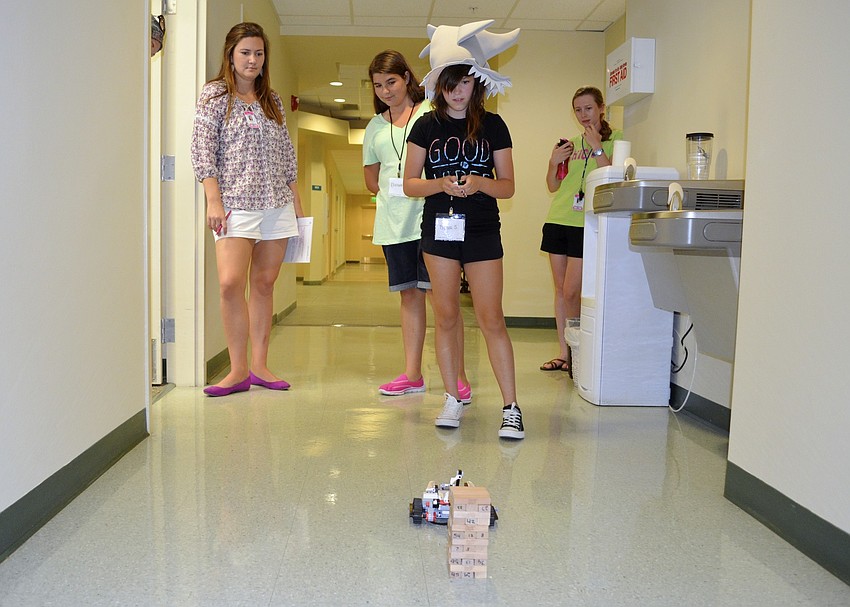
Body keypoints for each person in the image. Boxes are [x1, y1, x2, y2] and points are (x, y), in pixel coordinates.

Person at [404, 60, 523, 440]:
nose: (458, 91)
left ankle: (511, 408)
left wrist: (478, 182)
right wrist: (439, 183)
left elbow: (507, 186)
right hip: (440, 230)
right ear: (439, 87)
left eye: (466, 83)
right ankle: (453, 397)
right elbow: (409, 184)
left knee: (491, 318)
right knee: (447, 316)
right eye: (450, 84)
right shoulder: (425, 125)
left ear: (477, 85)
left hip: (483, 230)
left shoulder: (494, 125)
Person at [191, 22, 304, 397]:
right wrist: (213, 199)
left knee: (264, 283)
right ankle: (237, 369)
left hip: (277, 205)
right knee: (229, 284)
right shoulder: (214, 96)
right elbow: (202, 150)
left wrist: (297, 205)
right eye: (245, 53)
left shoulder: (271, 100)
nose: (252, 60)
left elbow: (287, 157)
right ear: (231, 55)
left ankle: (259, 365)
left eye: (258, 53)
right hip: (235, 204)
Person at [363, 50, 471, 403]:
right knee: (410, 297)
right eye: (378, 85)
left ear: (408, 78)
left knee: (446, 301)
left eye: (391, 82)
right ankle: (413, 374)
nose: (385, 91)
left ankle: (458, 375)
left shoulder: (431, 114)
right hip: (394, 223)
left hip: (433, 217)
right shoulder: (374, 127)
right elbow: (370, 179)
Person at [539, 86, 622, 375]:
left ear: (601, 108)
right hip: (559, 218)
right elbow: (553, 186)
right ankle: (564, 352)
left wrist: (597, 145)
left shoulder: (616, 141)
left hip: (586, 223)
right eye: (578, 110)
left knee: (573, 291)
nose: (583, 115)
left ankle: (577, 351)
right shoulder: (571, 144)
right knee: (561, 290)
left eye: (588, 108)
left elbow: (612, 178)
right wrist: (553, 162)